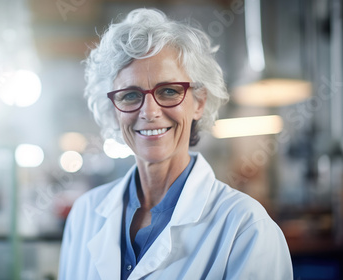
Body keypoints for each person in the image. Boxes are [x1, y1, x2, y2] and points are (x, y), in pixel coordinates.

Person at [59, 8, 293, 280]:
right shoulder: (84, 214)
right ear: (113, 110)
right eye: (130, 95)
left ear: (199, 102)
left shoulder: (246, 227)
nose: (149, 112)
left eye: (169, 91)